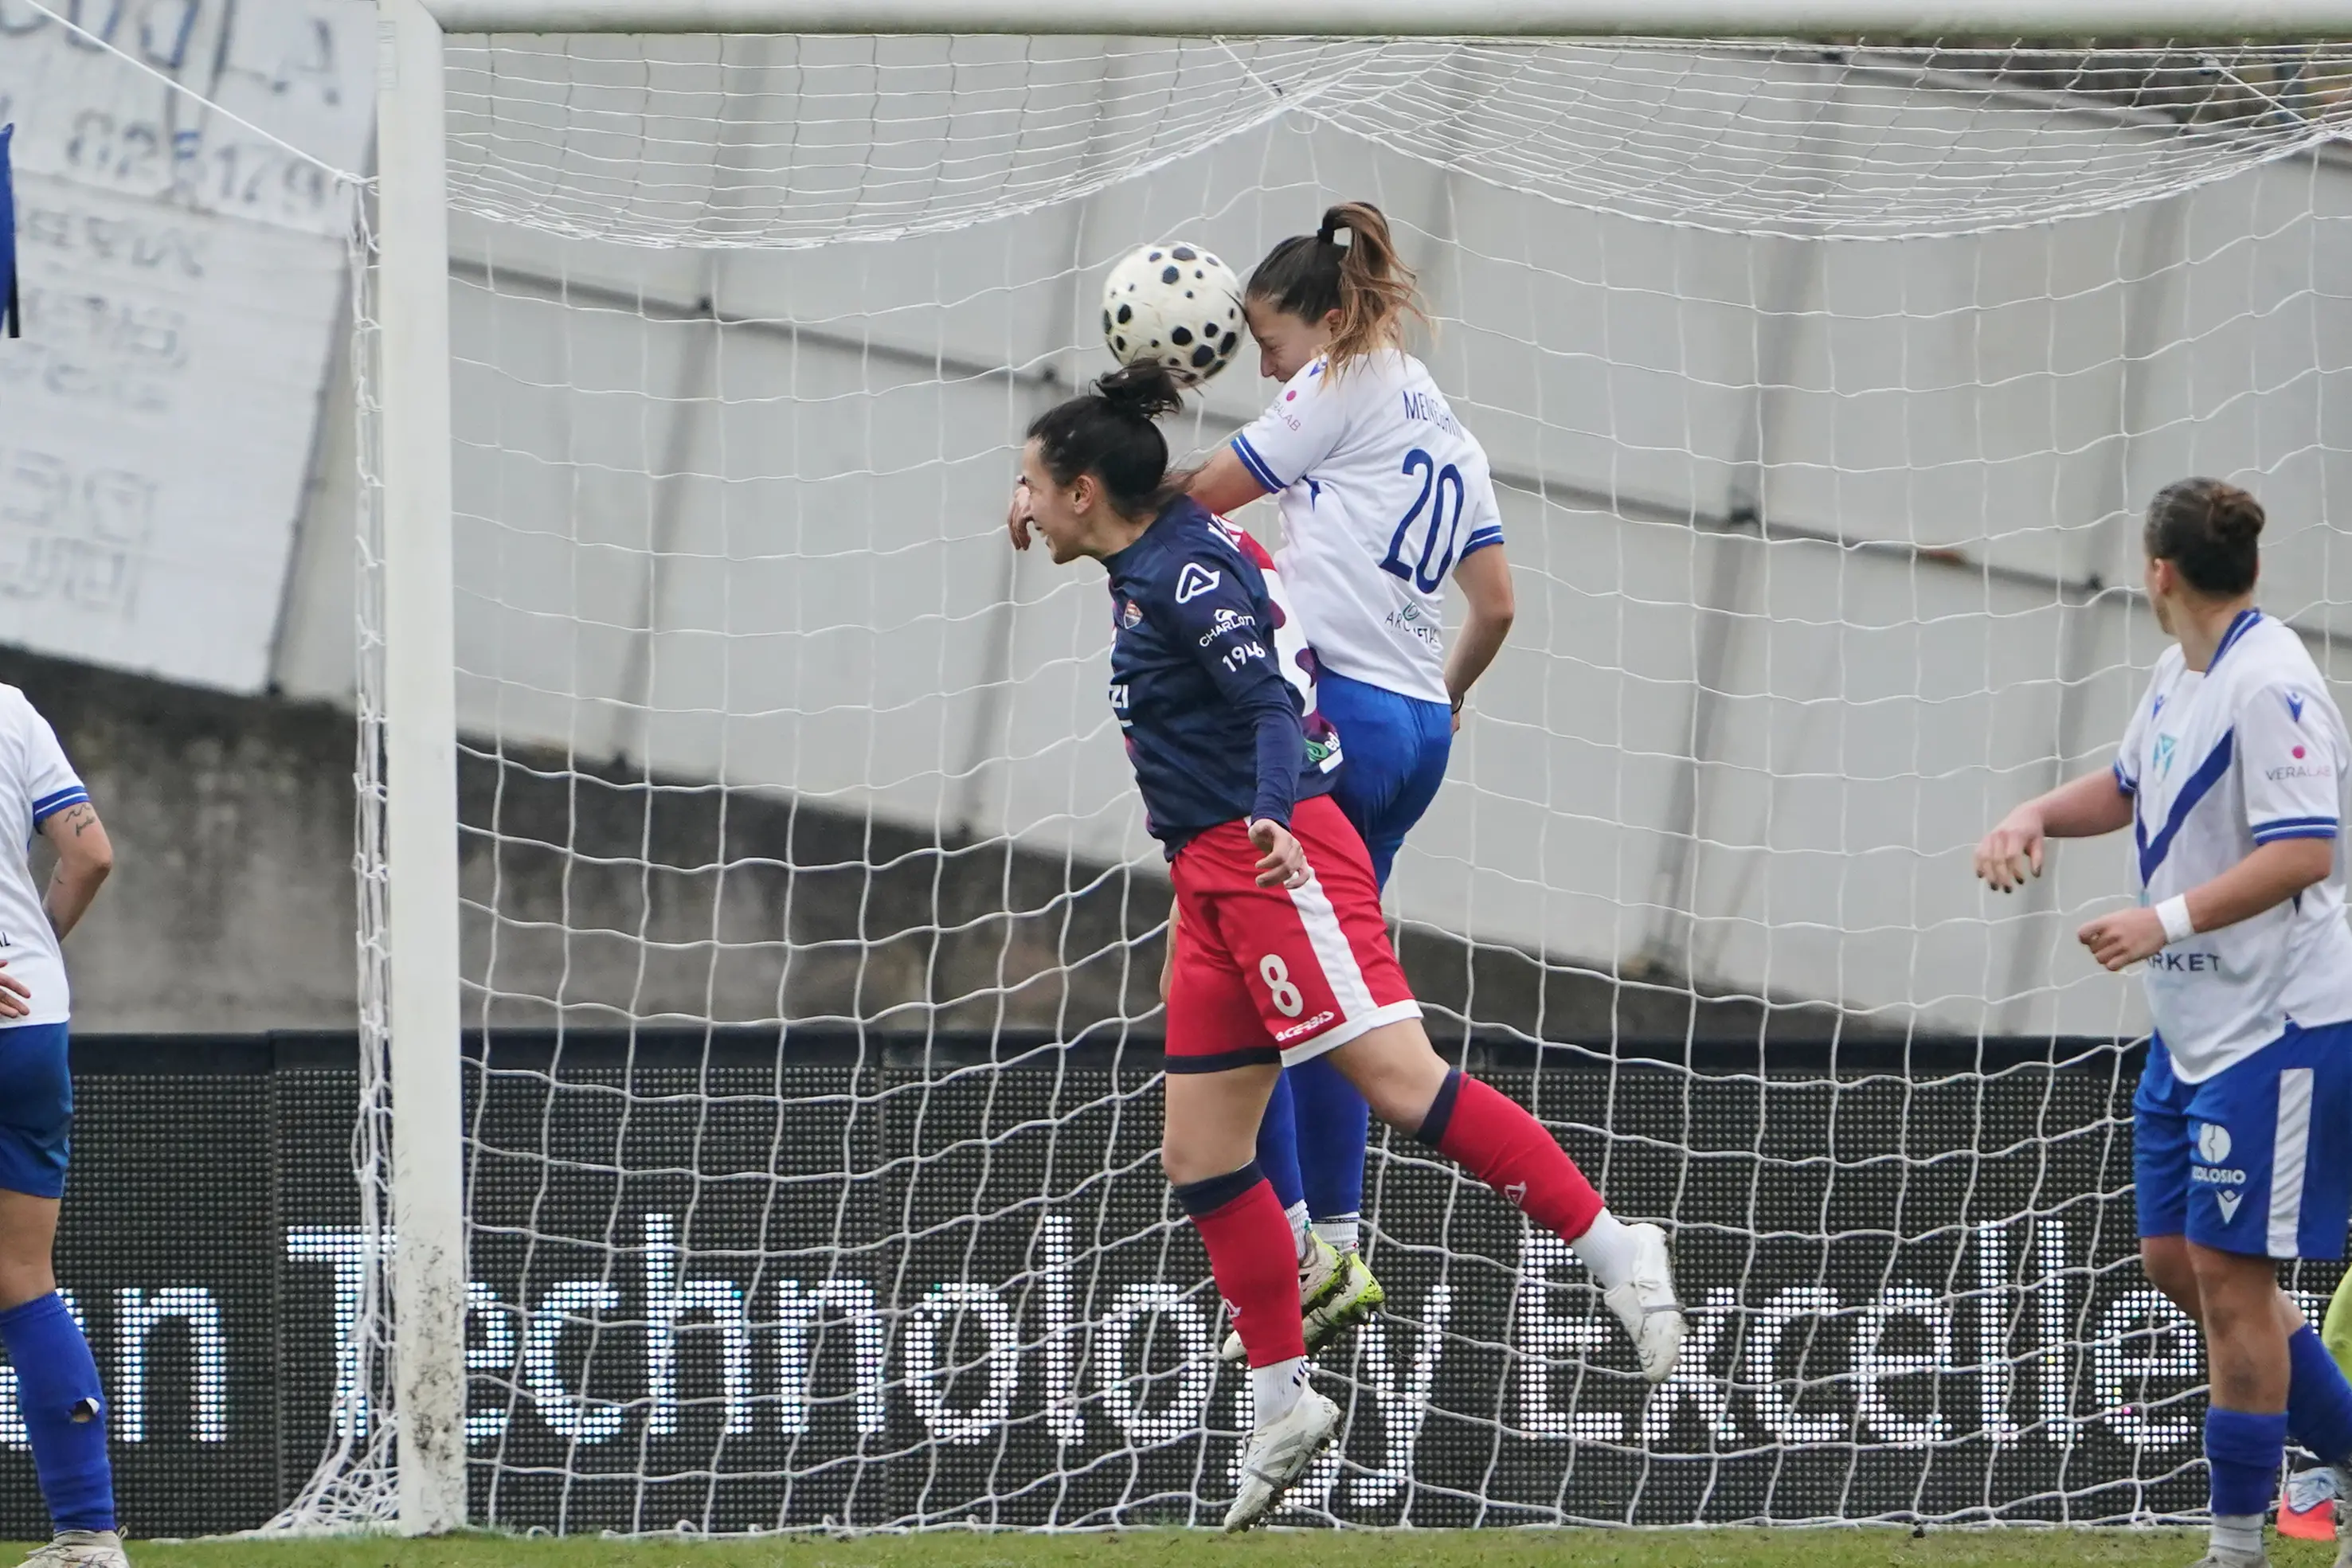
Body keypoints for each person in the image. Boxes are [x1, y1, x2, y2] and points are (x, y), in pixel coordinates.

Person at [1008, 361, 1684, 1532]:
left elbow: (1270, 698)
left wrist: (1273, 811)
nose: (1017, 500)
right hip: (1210, 878)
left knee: (1398, 1079)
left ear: (1080, 492)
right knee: (1202, 1155)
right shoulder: (1144, 552)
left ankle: (1614, 1245)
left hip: (1278, 855)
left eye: (1029, 482)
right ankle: (1282, 1400)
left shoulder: (1183, 570)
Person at [1974, 479, 2352, 1568]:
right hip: (2194, 1025)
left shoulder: (2271, 685)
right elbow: (2133, 786)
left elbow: (2305, 852)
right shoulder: (2180, 672)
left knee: (2234, 1283)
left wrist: (2161, 917)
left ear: (2156, 573)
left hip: (2279, 1026)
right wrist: (2034, 812)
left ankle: (2235, 1548)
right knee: (2174, 1260)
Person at [1197, 200, 1521, 1355]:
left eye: (1268, 339)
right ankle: (1333, 1229)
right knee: (1338, 1002)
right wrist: (1446, 695)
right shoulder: (1450, 429)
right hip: (1415, 729)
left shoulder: (1337, 383)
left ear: (1328, 322)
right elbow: (1495, 609)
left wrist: (1094, 479)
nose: (1263, 363)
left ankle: (1303, 1247)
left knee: (1269, 979)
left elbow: (1200, 503)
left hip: (1335, 718)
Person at [0, 683, 122, 1567]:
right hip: (32, 1014)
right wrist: (28, 951)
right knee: (23, 1276)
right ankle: (89, 1535)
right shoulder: (11, 709)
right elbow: (91, 856)